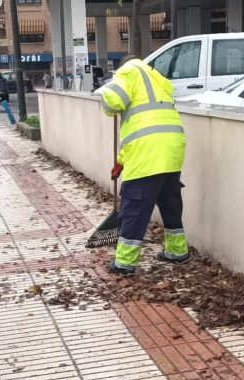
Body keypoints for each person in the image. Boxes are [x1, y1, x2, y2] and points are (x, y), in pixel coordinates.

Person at [96, 55, 188, 276]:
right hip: (172, 148)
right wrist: (120, 162)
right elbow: (143, 127)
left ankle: (125, 263)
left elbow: (113, 102)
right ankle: (177, 251)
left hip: (148, 153)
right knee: (169, 202)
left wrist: (103, 93)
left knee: (134, 208)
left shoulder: (128, 71)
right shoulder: (158, 78)